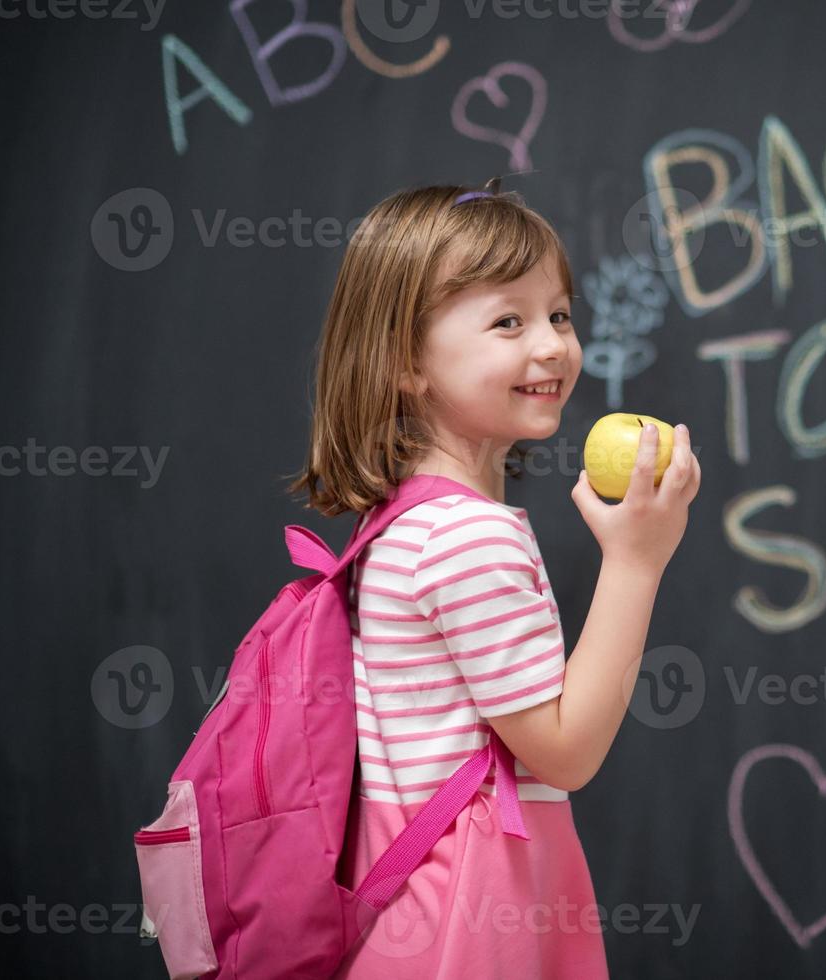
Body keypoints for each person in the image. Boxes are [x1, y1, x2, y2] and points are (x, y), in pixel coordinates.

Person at [286, 177, 701, 979]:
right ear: (406, 362)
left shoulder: (406, 521)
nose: (550, 345)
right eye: (507, 320)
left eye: (558, 314)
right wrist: (636, 560)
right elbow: (566, 753)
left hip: (421, 915)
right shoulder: (467, 538)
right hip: (467, 926)